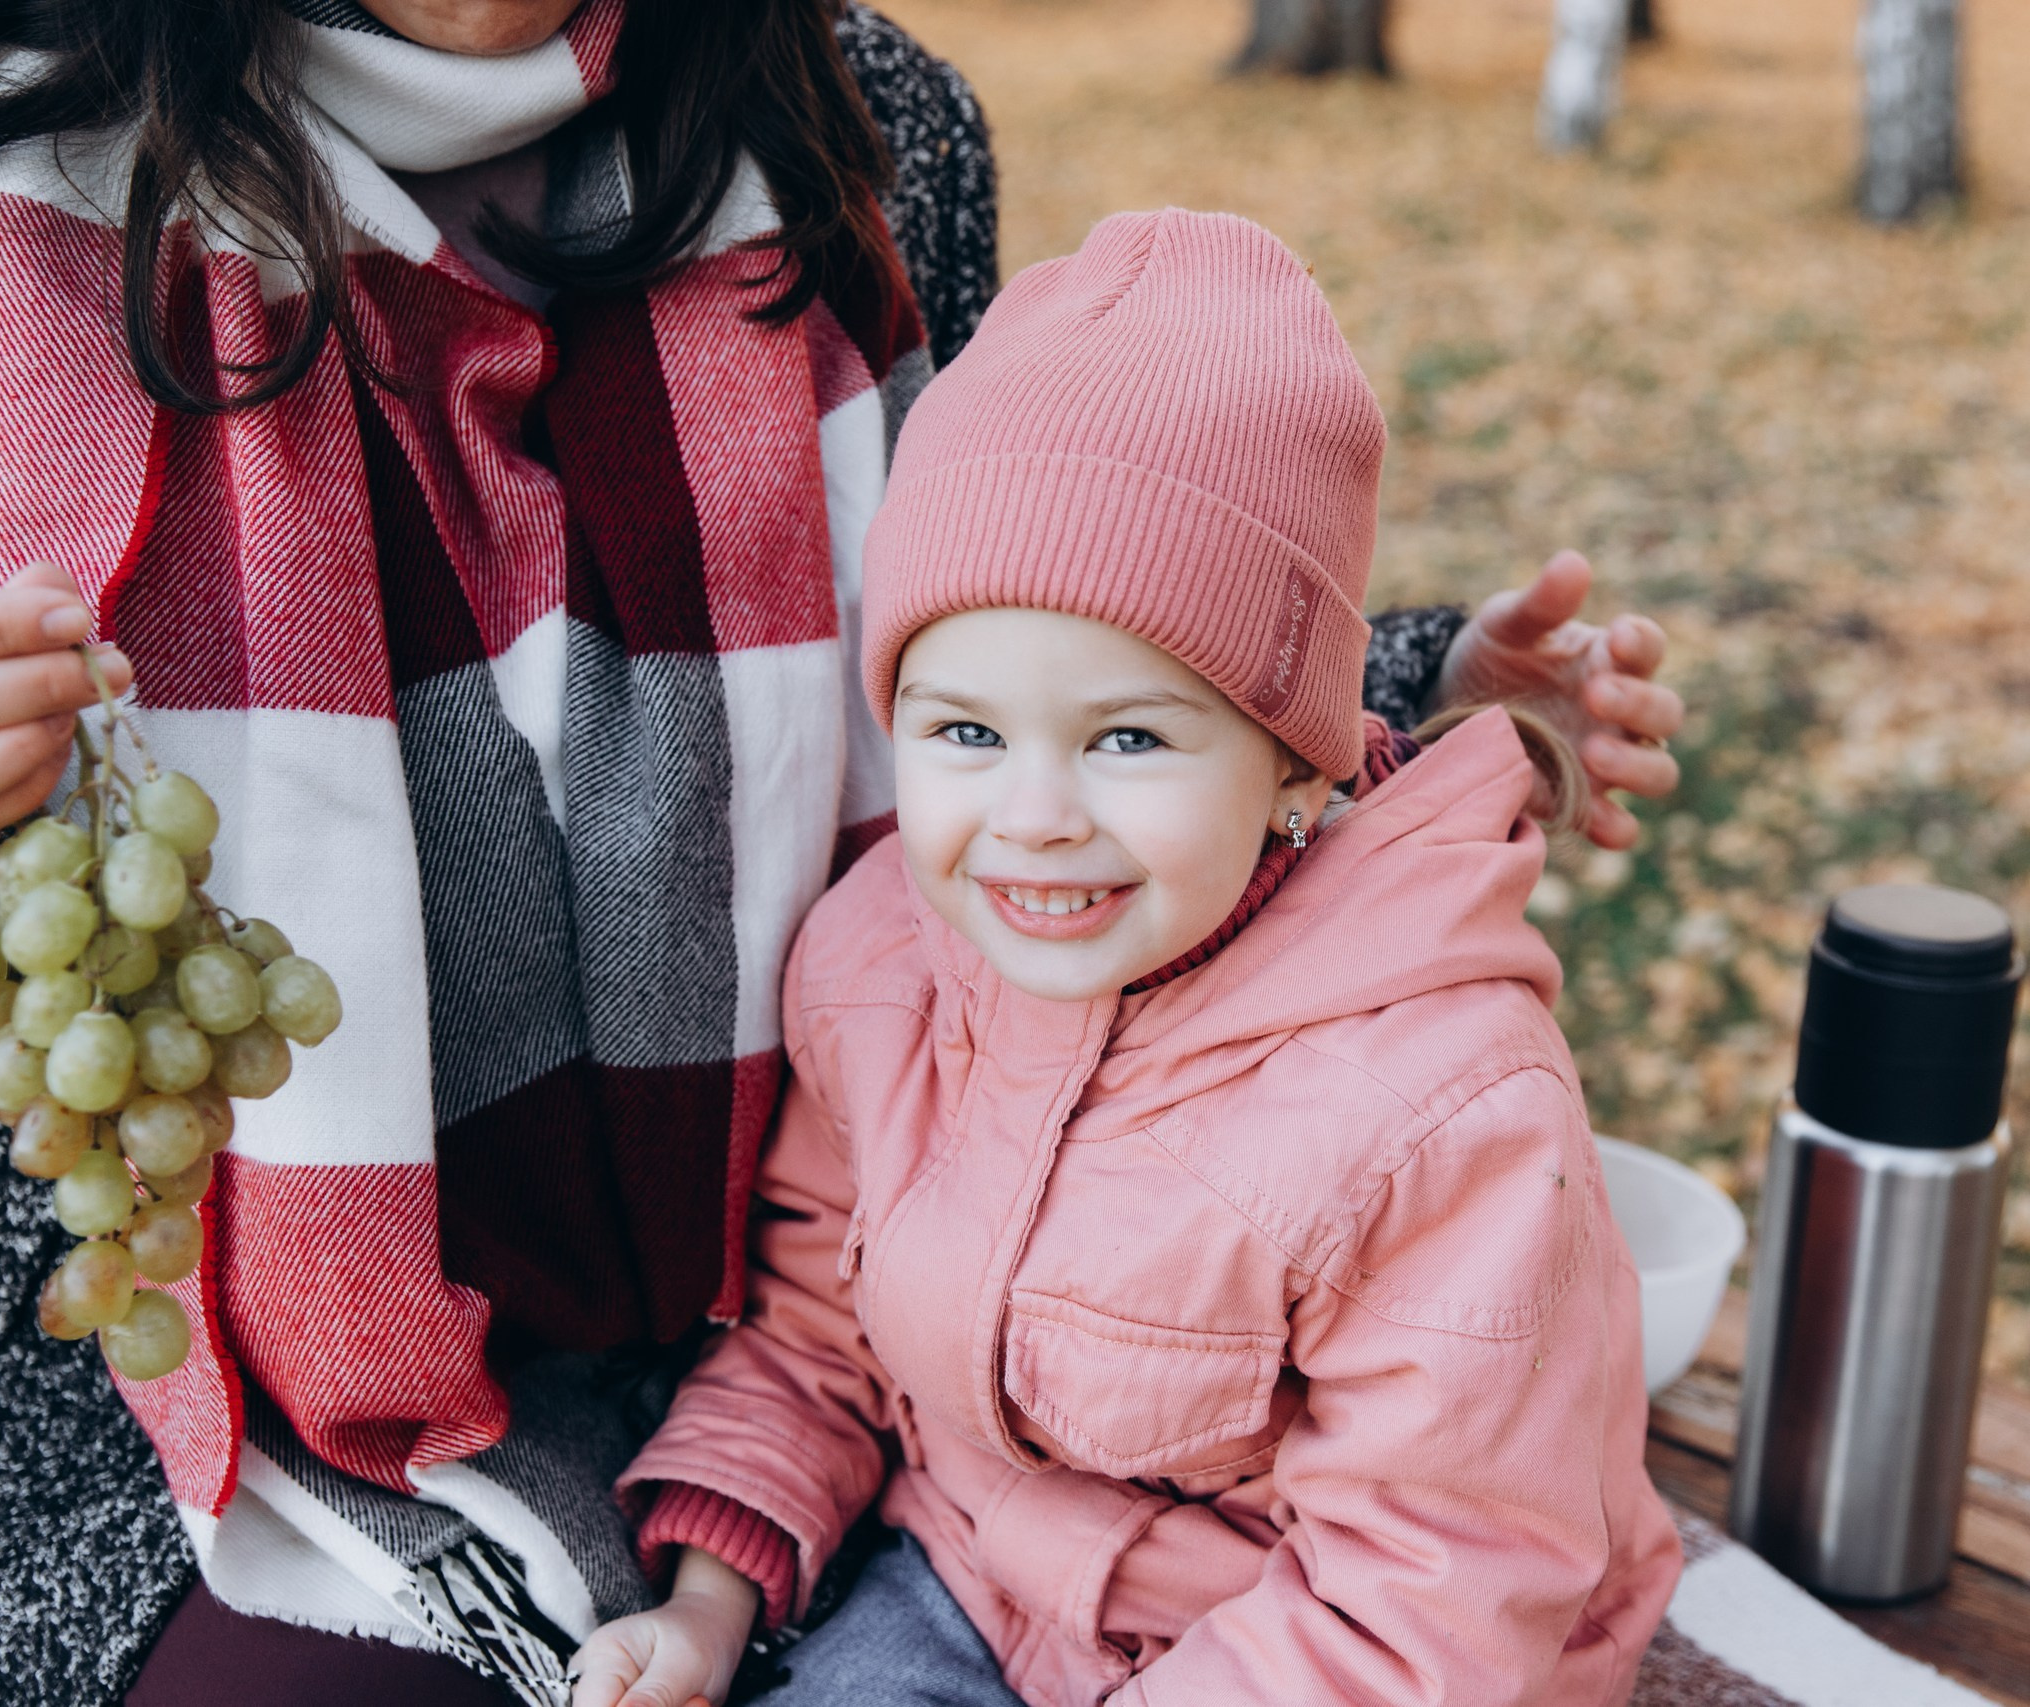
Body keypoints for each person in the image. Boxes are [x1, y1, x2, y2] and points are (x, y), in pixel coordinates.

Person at [0, 5, 1683, 1704]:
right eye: (970, 748)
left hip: (807, 1362)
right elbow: (1029, 688)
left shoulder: (852, 121)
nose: (1035, 804)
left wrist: (1398, 684)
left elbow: (1069, 587)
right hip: (208, 1354)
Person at [570, 209, 1683, 1707]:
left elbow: (1424, 1601)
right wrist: (709, 1608)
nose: (1033, 817)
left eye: (1130, 739)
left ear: (1295, 764)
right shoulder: (880, 966)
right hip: (978, 1584)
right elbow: (824, 1327)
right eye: (967, 730)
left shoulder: (1441, 1117)